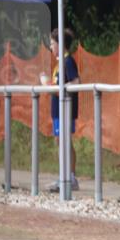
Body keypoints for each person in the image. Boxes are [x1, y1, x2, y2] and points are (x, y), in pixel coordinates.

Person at [42, 28, 80, 192]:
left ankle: (68, 178)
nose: (51, 47)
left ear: (60, 44)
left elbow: (76, 82)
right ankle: (66, 177)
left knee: (64, 141)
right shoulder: (60, 63)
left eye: (52, 43)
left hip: (66, 108)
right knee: (60, 141)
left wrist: (46, 84)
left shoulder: (68, 62)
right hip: (58, 109)